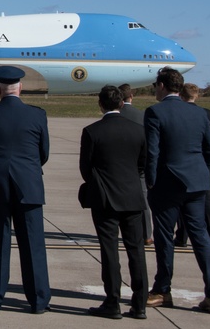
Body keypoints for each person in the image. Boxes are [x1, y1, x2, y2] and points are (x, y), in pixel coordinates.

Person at [0, 66, 51, 314]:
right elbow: (43, 153)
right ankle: (38, 301)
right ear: (20, 88)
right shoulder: (37, 115)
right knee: (33, 245)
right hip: (29, 187)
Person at [145, 67, 210, 314]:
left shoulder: (155, 112)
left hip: (168, 184)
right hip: (197, 183)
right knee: (201, 238)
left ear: (163, 86)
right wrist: (201, 171)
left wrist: (151, 181)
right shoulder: (199, 114)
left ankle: (162, 289)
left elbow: (153, 152)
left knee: (165, 238)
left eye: (156, 85)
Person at [79, 85, 148, 319]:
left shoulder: (92, 131)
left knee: (109, 252)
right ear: (121, 103)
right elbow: (142, 165)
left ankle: (113, 301)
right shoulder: (139, 130)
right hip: (132, 196)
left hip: (105, 198)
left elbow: (85, 169)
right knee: (136, 251)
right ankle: (140, 304)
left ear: (100, 104)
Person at [174, 83, 210, 249]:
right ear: (197, 95)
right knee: (206, 202)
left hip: (184, 163)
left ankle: (182, 236)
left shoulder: (179, 113)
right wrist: (207, 167)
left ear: (181, 95)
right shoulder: (206, 113)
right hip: (200, 164)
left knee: (181, 203)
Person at [119, 83, 154, 246]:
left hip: (119, 163)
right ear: (131, 96)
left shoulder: (115, 114)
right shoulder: (142, 115)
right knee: (143, 199)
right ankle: (147, 234)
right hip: (139, 162)